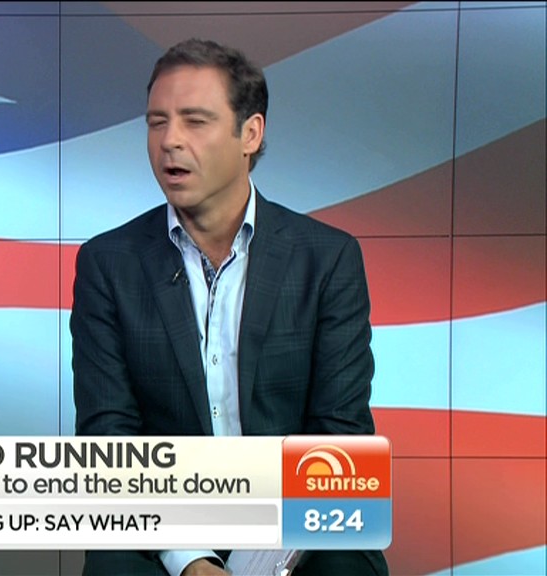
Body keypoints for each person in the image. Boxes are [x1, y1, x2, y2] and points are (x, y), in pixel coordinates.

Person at [70, 39, 388, 576]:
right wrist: (190, 558)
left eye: (195, 121)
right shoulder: (109, 264)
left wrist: (266, 562)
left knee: (345, 564)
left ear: (250, 134)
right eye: (156, 122)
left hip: (292, 527)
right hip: (165, 526)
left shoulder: (326, 259)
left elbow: (339, 437)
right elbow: (110, 442)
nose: (170, 141)